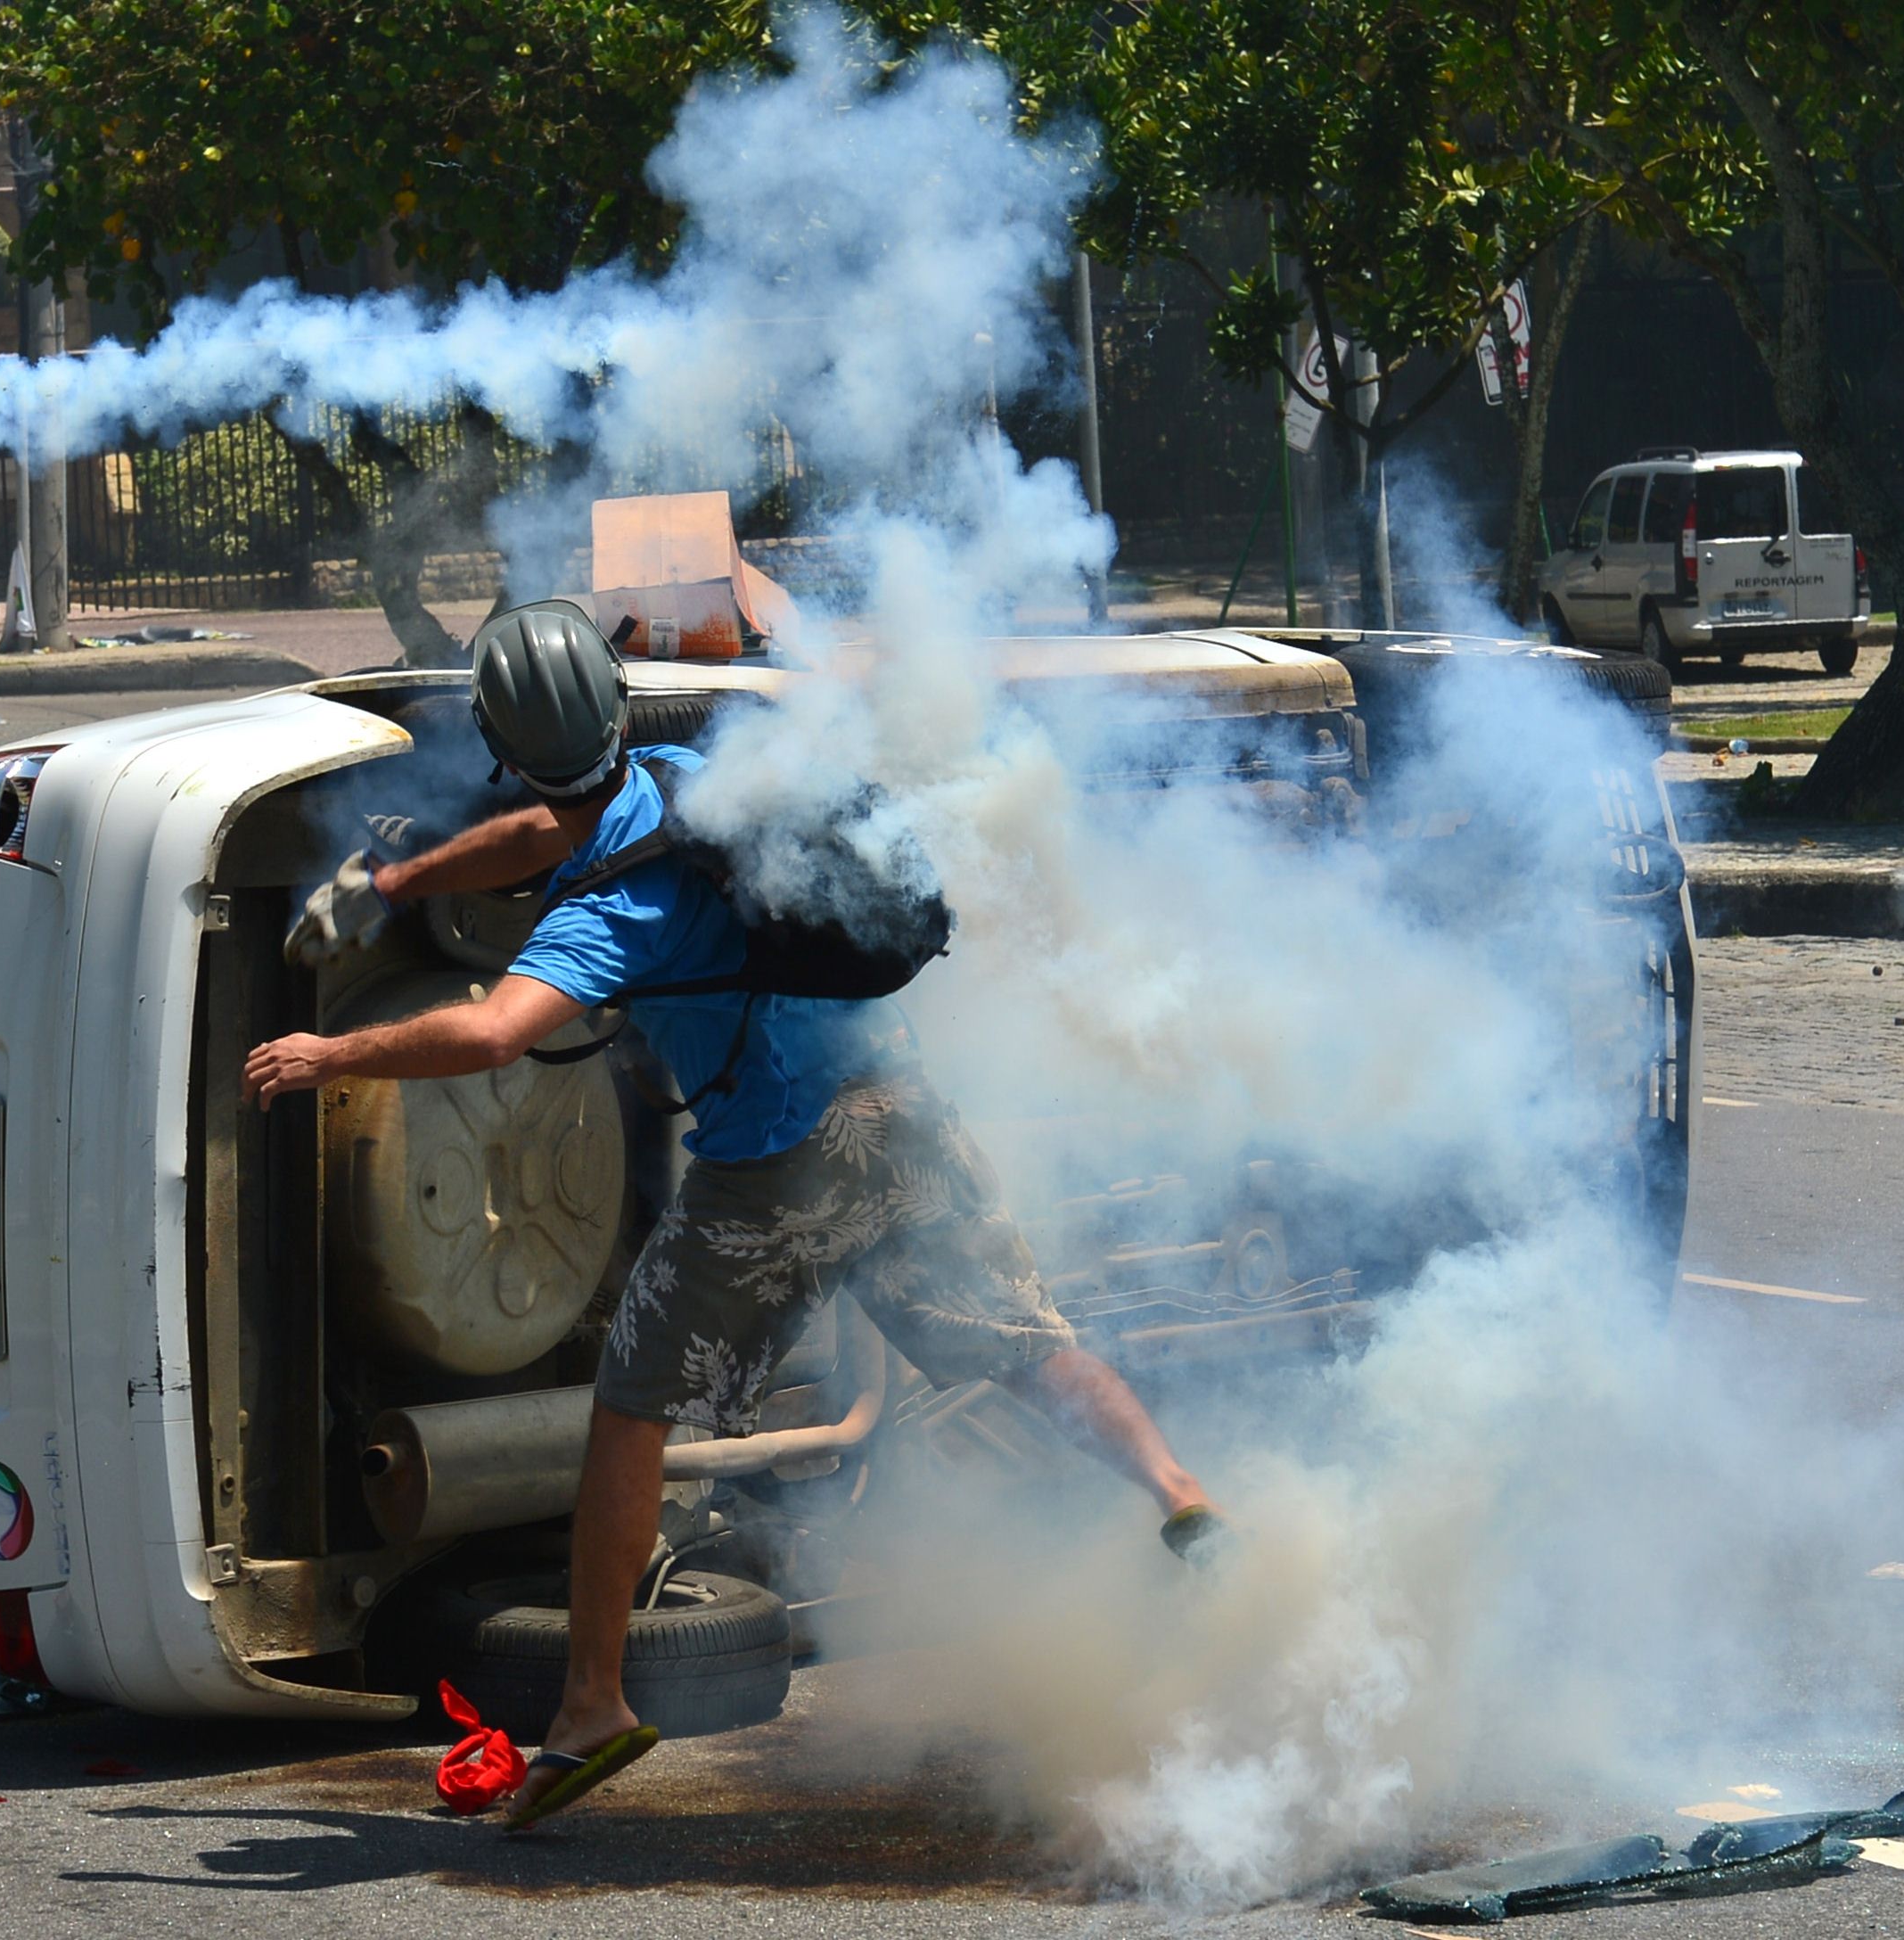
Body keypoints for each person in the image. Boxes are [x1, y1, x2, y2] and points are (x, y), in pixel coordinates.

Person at [243, 601, 1219, 1831]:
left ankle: (591, 1705)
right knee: (1024, 1340)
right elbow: (553, 827)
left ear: (501, 746)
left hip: (776, 1166)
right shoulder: (685, 778)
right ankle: (1181, 1492)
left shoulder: (609, 915)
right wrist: (399, 879)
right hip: (897, 1110)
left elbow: (495, 1032)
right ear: (615, 709)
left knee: (630, 1406)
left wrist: (332, 1052)